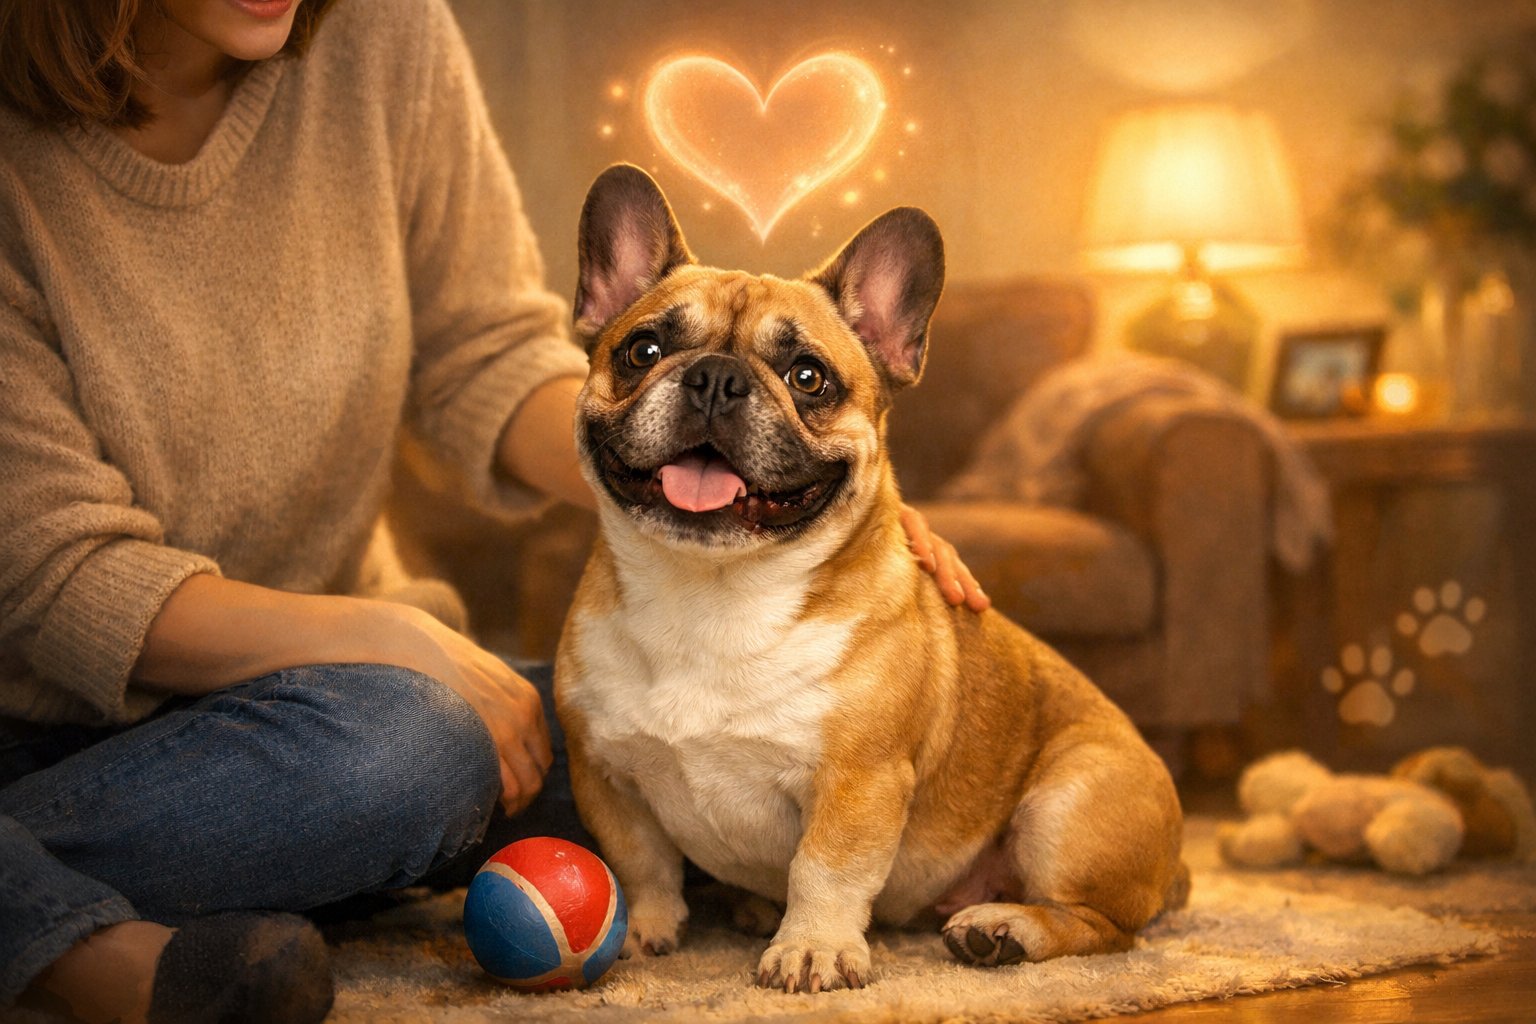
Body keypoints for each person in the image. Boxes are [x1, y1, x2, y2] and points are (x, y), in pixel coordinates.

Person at [0, 1, 988, 1021]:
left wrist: (769, 490)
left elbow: (484, 349)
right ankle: (94, 953)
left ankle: (288, 856)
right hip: (55, 718)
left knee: (619, 743)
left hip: (311, 703)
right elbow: (56, 577)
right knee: (421, 750)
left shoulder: (382, 30)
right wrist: (395, 640)